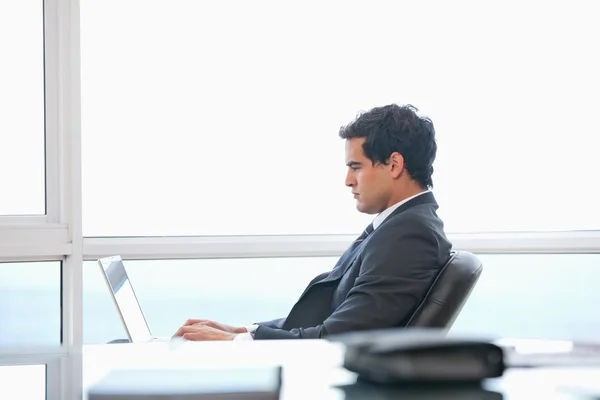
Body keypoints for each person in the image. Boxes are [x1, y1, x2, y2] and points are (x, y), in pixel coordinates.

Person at [173, 103, 452, 340]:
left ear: (394, 164)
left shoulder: (410, 236)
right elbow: (334, 317)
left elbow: (337, 338)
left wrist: (236, 343)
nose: (348, 181)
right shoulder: (398, 226)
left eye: (356, 167)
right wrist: (246, 331)